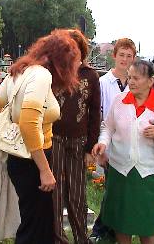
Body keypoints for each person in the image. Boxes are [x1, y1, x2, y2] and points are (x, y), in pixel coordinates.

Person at [0, 30, 81, 244]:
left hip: (20, 157)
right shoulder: (42, 75)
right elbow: (28, 122)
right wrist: (45, 171)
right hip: (33, 159)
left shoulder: (20, 72)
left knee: (34, 221)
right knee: (35, 227)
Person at [92, 60, 154, 244]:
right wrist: (103, 143)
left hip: (149, 175)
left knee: (147, 224)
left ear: (150, 81)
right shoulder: (120, 101)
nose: (131, 82)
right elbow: (108, 127)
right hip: (120, 172)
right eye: (129, 77)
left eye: (136, 78)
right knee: (120, 222)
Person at [51, 29, 101, 244]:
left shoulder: (91, 76)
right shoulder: (53, 72)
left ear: (82, 51)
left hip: (79, 142)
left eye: (76, 49)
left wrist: (91, 148)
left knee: (77, 195)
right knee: (55, 194)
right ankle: (57, 239)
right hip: (53, 139)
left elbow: (94, 114)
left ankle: (82, 238)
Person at [90, 38, 136, 242]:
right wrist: (101, 149)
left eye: (129, 56)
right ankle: (101, 229)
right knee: (112, 189)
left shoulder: (136, 82)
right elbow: (98, 116)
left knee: (124, 191)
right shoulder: (103, 83)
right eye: (121, 55)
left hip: (130, 146)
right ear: (114, 56)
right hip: (108, 141)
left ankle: (115, 228)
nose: (124, 60)